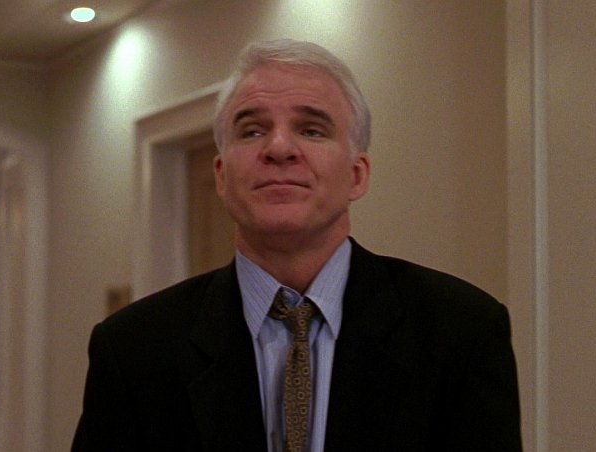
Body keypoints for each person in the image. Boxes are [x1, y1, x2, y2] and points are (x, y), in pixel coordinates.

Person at [72, 39, 521, 451]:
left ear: (357, 175)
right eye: (252, 131)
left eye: (311, 130)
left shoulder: (461, 331)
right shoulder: (132, 349)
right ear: (222, 177)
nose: (279, 148)